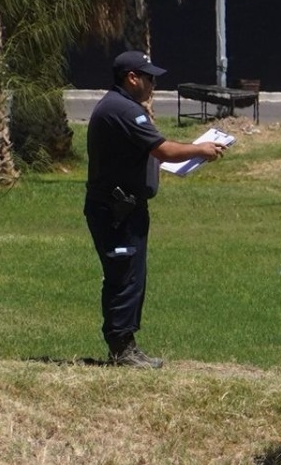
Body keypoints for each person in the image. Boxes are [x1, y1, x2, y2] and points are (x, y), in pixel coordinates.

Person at [84, 50, 227, 369]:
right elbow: (163, 149)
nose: (153, 84)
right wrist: (200, 148)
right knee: (124, 278)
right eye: (149, 77)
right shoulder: (123, 109)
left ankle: (125, 345)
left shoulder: (121, 107)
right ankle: (122, 350)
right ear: (131, 78)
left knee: (131, 276)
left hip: (125, 208)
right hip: (116, 211)